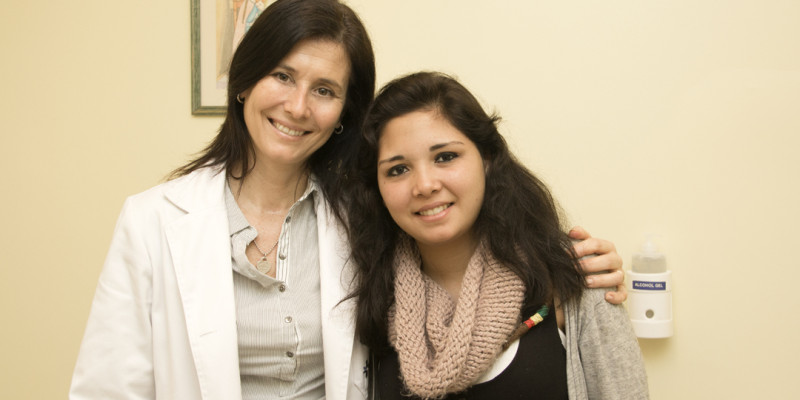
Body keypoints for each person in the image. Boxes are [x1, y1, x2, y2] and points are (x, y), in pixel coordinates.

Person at [70, 1, 627, 399]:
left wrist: (580, 268)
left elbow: (460, 259)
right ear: (244, 82)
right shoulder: (153, 220)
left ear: (343, 114)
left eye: (325, 91)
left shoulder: (363, 218)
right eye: (281, 76)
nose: (297, 107)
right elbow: (106, 389)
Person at [346, 72, 648, 399]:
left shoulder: (574, 277)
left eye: (445, 157)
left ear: (487, 159)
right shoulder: (368, 292)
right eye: (398, 169)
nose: (425, 185)